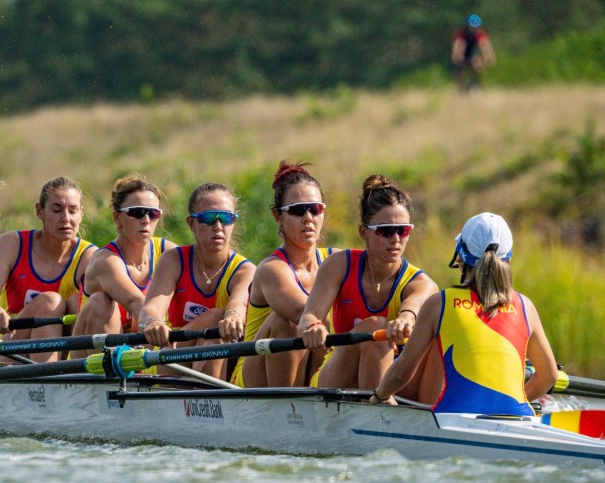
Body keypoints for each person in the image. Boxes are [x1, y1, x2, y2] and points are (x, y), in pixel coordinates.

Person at [370, 212, 558, 413]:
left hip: (453, 418)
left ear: (460, 255)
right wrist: (512, 402)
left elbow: (401, 374)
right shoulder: (525, 305)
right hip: (519, 418)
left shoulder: (439, 303)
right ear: (508, 261)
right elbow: (549, 376)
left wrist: (379, 396)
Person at [299, 174, 442, 403]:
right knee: (377, 329)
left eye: (402, 230)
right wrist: (313, 327)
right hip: (338, 378)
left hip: (394, 380)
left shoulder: (421, 283)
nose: (395, 239)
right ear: (363, 232)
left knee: (439, 336)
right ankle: (381, 421)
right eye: (385, 230)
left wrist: (405, 318)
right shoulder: (338, 265)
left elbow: (412, 307)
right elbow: (309, 317)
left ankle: (432, 420)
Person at [232, 161, 337, 388]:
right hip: (254, 378)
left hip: (316, 357)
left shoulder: (337, 260)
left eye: (315, 208)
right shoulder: (272, 269)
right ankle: (288, 406)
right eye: (298, 210)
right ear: (277, 216)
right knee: (288, 322)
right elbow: (303, 312)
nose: (308, 217)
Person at [138, 182, 256, 380]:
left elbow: (237, 304)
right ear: (191, 223)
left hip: (218, 356)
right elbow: (150, 309)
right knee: (214, 318)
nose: (218, 227)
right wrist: (153, 322)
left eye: (226, 218)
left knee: (216, 331)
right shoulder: (174, 260)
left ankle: (201, 398)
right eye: (208, 218)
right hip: (173, 357)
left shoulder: (244, 270)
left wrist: (233, 317)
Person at [0, 176, 96, 362]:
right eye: (57, 210)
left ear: (81, 213)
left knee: (73, 302)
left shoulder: (89, 256)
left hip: (65, 350)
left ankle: (53, 378)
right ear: (40, 210)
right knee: (50, 302)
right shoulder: (11, 244)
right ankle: (48, 381)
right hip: (11, 345)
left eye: (73, 211)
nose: (66, 218)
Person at [69, 174, 176, 358]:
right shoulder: (106, 261)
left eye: (153, 213)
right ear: (117, 218)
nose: (146, 220)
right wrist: (154, 323)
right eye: (137, 212)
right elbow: (135, 302)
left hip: (139, 349)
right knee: (101, 302)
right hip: (91, 358)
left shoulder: (169, 253)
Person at [451, 14, 496, 91]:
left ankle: (475, 86)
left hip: (472, 54)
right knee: (459, 68)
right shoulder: (462, 34)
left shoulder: (480, 34)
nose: (474, 29)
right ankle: (459, 88)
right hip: (462, 54)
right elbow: (458, 47)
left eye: (476, 27)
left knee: (477, 65)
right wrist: (457, 57)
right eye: (472, 27)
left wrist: (488, 57)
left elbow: (485, 46)